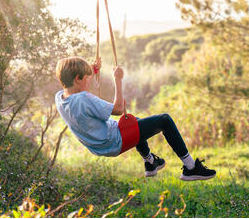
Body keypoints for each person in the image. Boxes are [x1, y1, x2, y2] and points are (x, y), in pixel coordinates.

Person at [54, 56, 216, 181]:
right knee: (164, 120)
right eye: (86, 77)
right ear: (77, 78)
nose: (89, 80)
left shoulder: (60, 98)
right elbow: (118, 109)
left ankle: (150, 162)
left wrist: (90, 70)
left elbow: (78, 84)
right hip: (114, 141)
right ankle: (191, 168)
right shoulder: (83, 98)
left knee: (135, 121)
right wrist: (117, 79)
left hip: (99, 145)